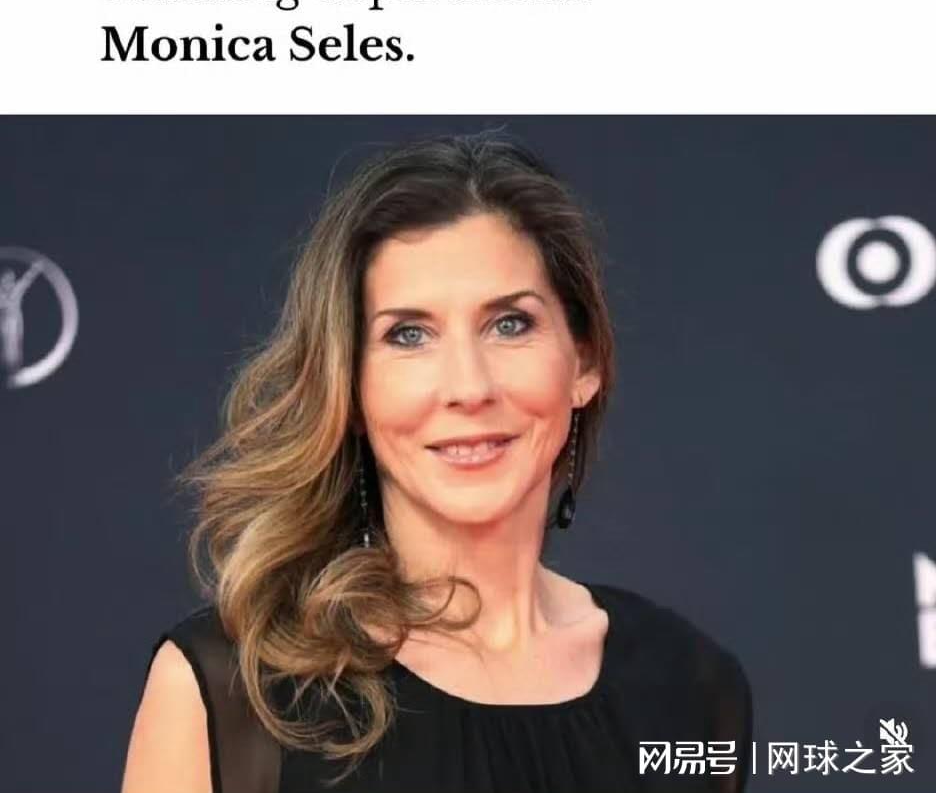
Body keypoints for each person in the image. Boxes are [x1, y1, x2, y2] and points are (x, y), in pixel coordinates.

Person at [121, 131, 753, 793]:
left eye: (509, 324)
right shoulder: (232, 688)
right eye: (409, 335)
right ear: (349, 388)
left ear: (584, 362)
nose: (468, 387)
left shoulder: (690, 684)